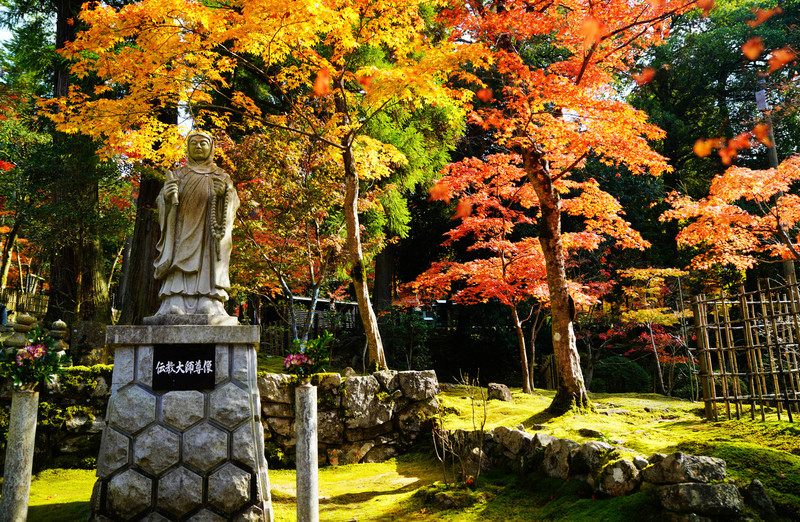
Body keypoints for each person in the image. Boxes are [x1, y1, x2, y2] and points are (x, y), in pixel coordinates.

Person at [152, 131, 239, 316]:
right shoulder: (179, 174)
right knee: (179, 257)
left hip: (209, 230)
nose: (198, 147)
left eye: (203, 143)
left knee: (207, 259)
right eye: (194, 143)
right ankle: (175, 297)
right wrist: (166, 197)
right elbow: (161, 202)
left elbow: (233, 202)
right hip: (183, 228)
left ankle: (209, 299)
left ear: (211, 147)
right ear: (187, 147)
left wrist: (224, 194)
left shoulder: (221, 175)